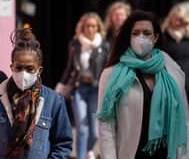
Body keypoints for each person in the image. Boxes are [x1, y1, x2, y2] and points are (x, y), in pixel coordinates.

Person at [97, 10, 189, 159]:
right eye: (135, 33)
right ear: (128, 37)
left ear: (155, 37)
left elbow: (183, 121)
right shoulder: (112, 75)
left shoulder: (172, 70)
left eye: (146, 33)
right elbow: (106, 125)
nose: (141, 37)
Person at [0, 28, 72, 158]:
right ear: (11, 67)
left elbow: (62, 144)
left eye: (29, 69)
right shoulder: (2, 96)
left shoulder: (54, 100)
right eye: (19, 68)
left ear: (39, 70)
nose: (23, 73)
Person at [55, 12, 108, 159]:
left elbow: (107, 69)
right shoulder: (75, 44)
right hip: (79, 88)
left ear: (98, 28)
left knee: (95, 131)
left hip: (95, 90)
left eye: (93, 26)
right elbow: (70, 68)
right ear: (82, 27)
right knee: (82, 128)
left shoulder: (104, 46)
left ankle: (88, 150)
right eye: (87, 26)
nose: (90, 29)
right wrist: (61, 86)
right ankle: (81, 157)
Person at [161, 4, 189, 122]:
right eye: (175, 18)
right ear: (170, 19)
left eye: (180, 19)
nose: (177, 22)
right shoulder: (163, 37)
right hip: (170, 83)